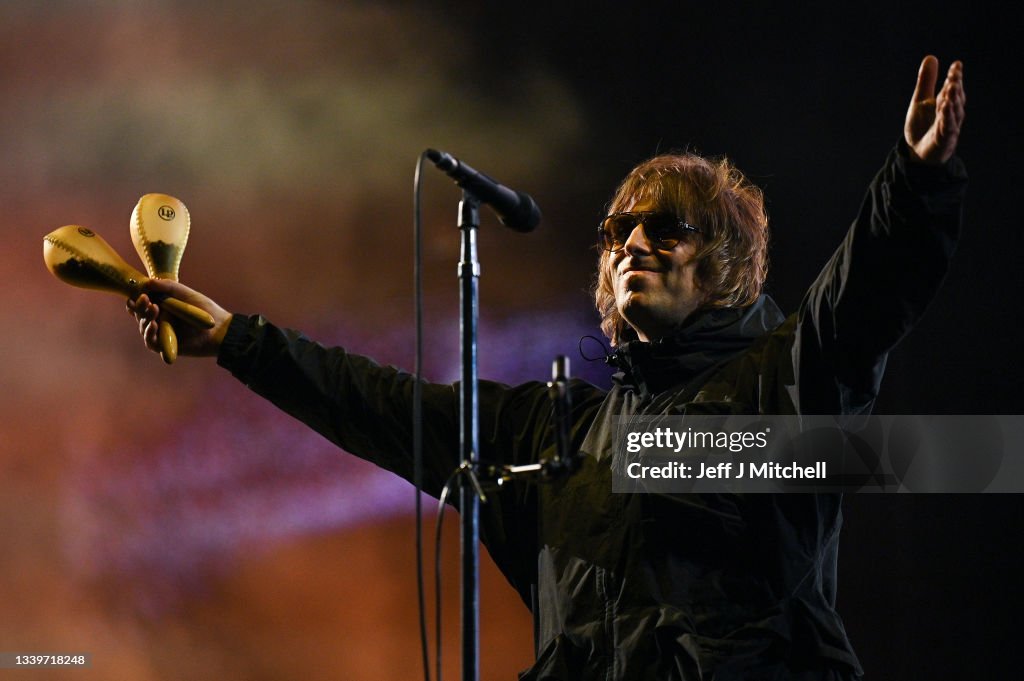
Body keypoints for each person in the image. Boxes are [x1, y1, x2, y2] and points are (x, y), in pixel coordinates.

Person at [127, 55, 967, 680]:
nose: (632, 241)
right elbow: (388, 407)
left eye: (665, 226)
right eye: (615, 232)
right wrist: (237, 338)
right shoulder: (556, 434)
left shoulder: (775, 387)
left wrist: (917, 179)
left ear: (723, 264)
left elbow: (860, 305)